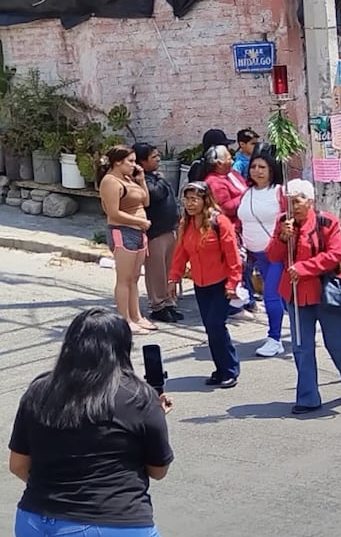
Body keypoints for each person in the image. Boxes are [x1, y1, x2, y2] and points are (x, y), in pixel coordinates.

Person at [8, 308, 175, 537]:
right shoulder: (137, 396)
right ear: (122, 348)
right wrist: (154, 417)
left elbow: (18, 465)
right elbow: (157, 470)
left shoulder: (39, 390)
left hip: (35, 532)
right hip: (109, 535)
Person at [266, 179, 341, 414]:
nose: (293, 207)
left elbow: (335, 254)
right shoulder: (283, 223)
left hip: (327, 293)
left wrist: (304, 268)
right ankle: (308, 398)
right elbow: (272, 256)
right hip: (296, 294)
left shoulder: (327, 221)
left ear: (310, 201)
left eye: (297, 202)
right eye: (288, 203)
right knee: (301, 347)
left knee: (336, 344)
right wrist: (282, 238)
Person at [167, 182, 242, 388]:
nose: (190, 204)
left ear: (204, 200)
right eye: (187, 199)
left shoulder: (220, 222)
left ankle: (230, 369)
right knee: (210, 328)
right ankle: (221, 369)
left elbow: (233, 257)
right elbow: (180, 253)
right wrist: (174, 278)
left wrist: (233, 283)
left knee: (217, 326)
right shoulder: (186, 223)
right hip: (200, 285)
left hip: (221, 284)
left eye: (194, 199)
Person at [237, 146, 288, 357]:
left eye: (262, 167)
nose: (257, 171)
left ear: (271, 169)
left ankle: (275, 339)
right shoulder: (246, 192)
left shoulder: (280, 192)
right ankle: (301, 326)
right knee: (283, 297)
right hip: (256, 255)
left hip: (277, 254)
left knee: (271, 296)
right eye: (254, 166)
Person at [97, 145, 154, 334]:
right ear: (117, 162)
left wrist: (141, 180)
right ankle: (124, 319)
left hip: (139, 232)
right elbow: (113, 213)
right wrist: (139, 221)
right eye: (130, 161)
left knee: (134, 278)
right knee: (124, 278)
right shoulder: (111, 182)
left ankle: (136, 315)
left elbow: (145, 201)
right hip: (123, 232)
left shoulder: (129, 178)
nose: (133, 165)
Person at [134, 142, 183, 325]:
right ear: (142, 161)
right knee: (156, 272)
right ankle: (158, 305)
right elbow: (154, 195)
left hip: (169, 229)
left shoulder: (155, 176)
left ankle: (170, 302)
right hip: (155, 232)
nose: (158, 159)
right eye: (153, 157)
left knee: (170, 269)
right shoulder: (142, 179)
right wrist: (161, 179)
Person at [201, 145, 248, 225]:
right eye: (229, 159)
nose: (232, 162)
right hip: (233, 225)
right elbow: (226, 208)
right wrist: (247, 196)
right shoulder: (213, 181)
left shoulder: (233, 173)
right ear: (219, 163)